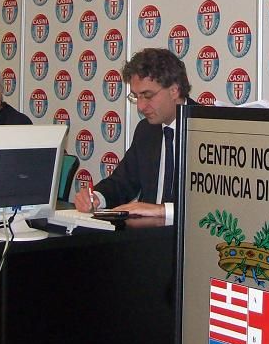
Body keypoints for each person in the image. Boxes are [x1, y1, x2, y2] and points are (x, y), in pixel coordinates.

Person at [74, 48, 190, 220]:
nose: (141, 107)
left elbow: (214, 202)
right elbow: (123, 182)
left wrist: (163, 210)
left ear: (174, 90)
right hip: (147, 232)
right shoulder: (146, 130)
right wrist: (96, 198)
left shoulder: (210, 131)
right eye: (136, 97)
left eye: (147, 95)